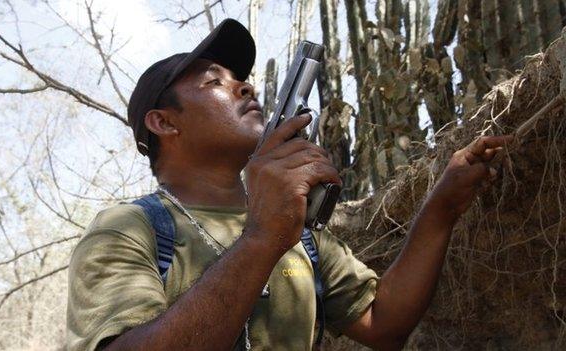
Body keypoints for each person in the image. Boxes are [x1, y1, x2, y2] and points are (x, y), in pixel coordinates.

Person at [66, 19, 512, 351]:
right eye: (215, 82)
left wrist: (441, 209)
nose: (245, 88)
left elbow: (383, 323)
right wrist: (264, 236)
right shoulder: (129, 229)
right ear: (163, 122)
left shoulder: (297, 230)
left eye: (241, 80)